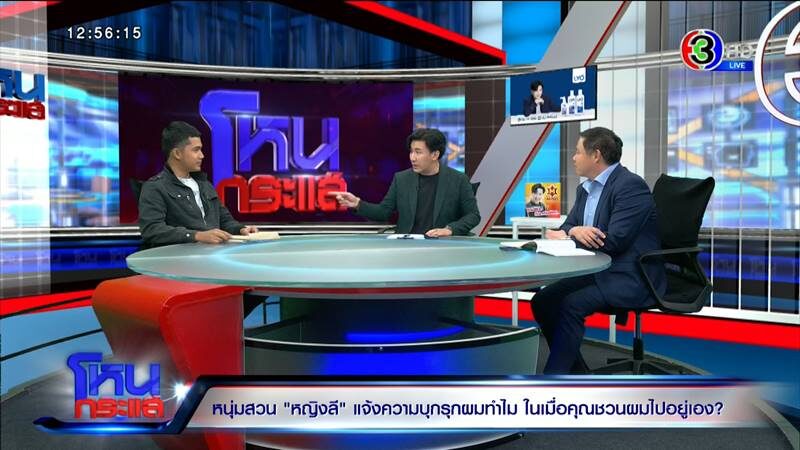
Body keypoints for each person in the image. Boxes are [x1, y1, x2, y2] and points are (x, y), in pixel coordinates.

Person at [531, 127, 666, 374]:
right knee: (542, 301)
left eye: (577, 152)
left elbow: (615, 241)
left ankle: (553, 380)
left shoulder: (630, 186)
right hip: (598, 272)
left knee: (571, 305)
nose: (573, 157)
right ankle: (576, 373)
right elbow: (568, 226)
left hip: (630, 275)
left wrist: (571, 235)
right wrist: (575, 231)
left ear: (596, 155)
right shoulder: (585, 189)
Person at [332, 128, 480, 237]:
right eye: (411, 151)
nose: (412, 157)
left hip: (442, 247)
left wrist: (449, 229)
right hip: (407, 246)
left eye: (418, 152)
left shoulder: (458, 180)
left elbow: (473, 215)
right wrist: (358, 204)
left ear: (435, 154)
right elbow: (384, 212)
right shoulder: (401, 179)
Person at [138, 121, 258, 247]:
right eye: (196, 150)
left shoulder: (205, 185)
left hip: (213, 254)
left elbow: (225, 221)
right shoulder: (155, 187)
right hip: (180, 257)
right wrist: (196, 235)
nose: (202, 155)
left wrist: (241, 229)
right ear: (177, 153)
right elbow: (151, 230)